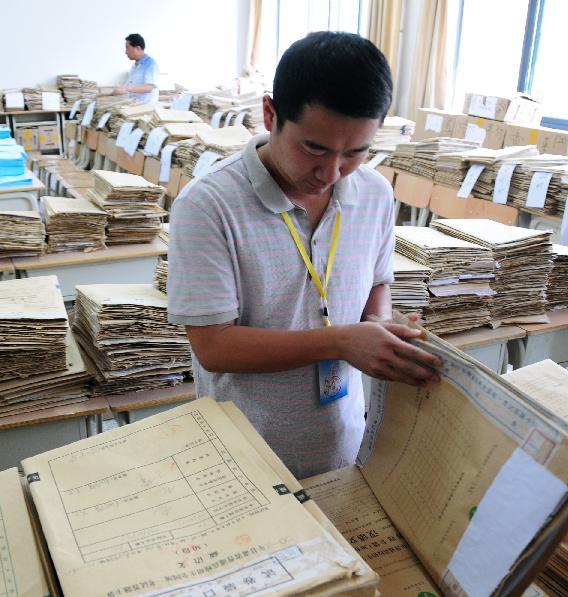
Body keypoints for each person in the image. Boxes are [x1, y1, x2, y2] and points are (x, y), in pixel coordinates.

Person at [167, 32, 442, 479]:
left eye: (355, 152)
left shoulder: (374, 192)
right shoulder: (207, 205)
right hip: (244, 456)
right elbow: (213, 345)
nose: (331, 173)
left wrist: (376, 324)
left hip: (343, 443)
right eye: (314, 148)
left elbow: (376, 282)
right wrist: (341, 341)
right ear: (271, 113)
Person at [112, 33, 158, 104]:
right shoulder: (135, 65)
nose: (126, 52)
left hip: (145, 107)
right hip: (134, 104)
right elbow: (131, 84)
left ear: (138, 48)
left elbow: (149, 88)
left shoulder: (150, 64)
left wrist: (125, 88)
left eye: (127, 48)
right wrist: (121, 88)